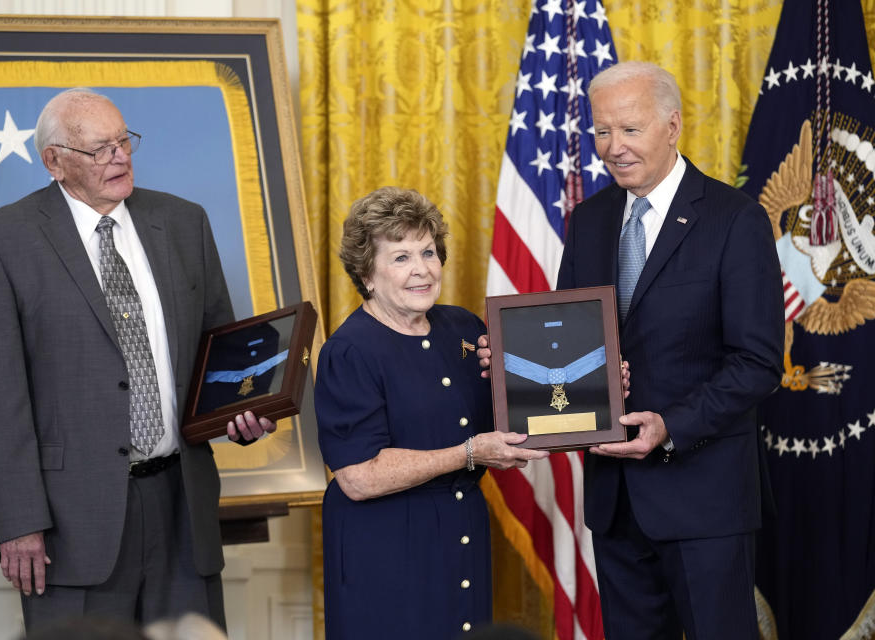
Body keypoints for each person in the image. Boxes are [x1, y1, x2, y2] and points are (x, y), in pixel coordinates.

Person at [0, 88, 275, 631]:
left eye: (124, 141)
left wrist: (241, 412)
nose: (120, 157)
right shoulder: (0, 241)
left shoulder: (182, 222)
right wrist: (19, 524)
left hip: (182, 505)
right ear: (54, 161)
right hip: (68, 522)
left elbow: (217, 350)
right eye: (99, 149)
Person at [553, 61, 784, 638]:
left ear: (673, 124)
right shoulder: (589, 220)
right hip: (615, 502)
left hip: (704, 498)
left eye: (629, 130)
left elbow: (757, 363)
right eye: (602, 132)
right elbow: (567, 335)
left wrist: (670, 425)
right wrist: (512, 364)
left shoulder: (735, 219)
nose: (613, 148)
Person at [314, 187, 549, 639]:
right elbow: (358, 477)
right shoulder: (349, 352)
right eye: (400, 257)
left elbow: (514, 412)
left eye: (428, 252)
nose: (421, 269)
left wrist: (594, 390)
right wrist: (469, 453)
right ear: (367, 274)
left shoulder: (462, 327)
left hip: (463, 535)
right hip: (385, 549)